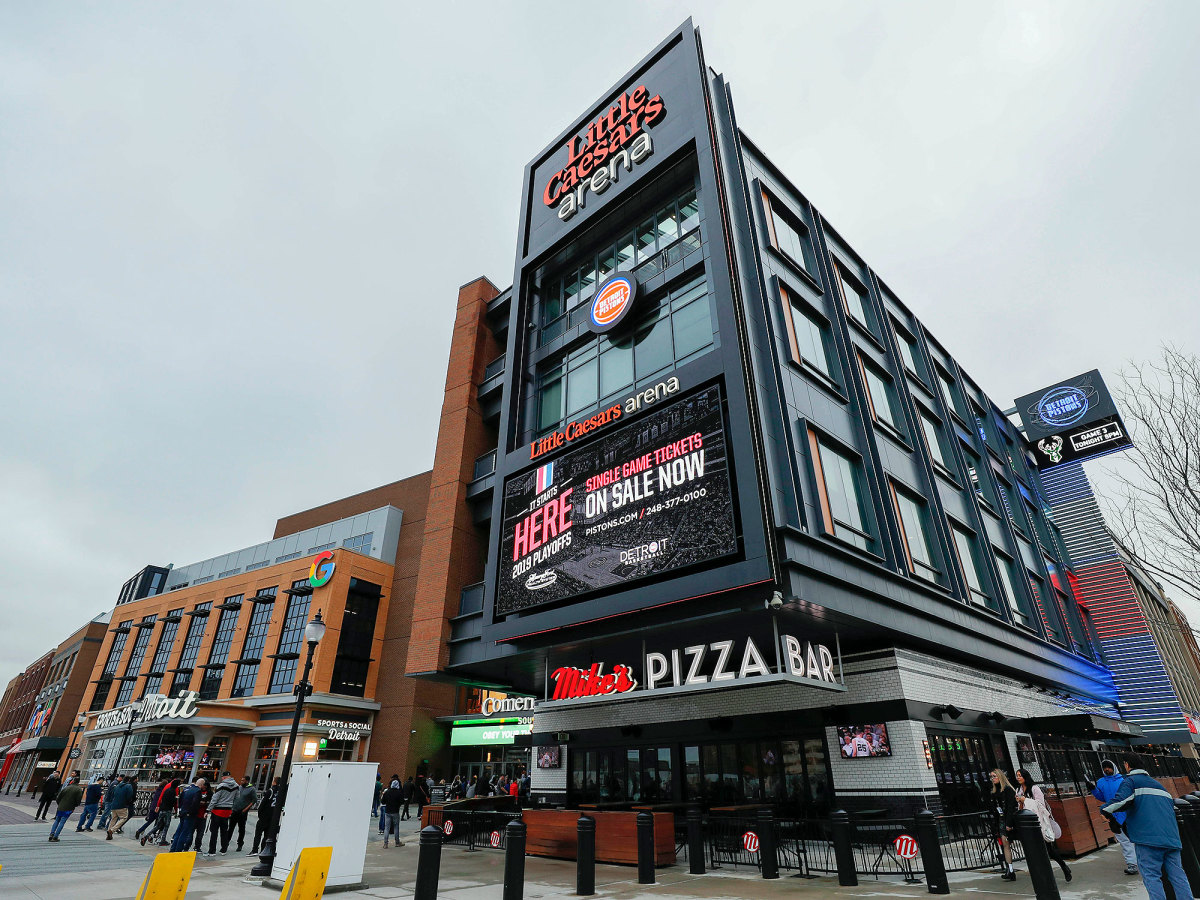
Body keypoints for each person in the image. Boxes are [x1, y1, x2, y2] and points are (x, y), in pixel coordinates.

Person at [1101, 753, 1192, 900]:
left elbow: (1119, 801)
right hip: (1172, 838)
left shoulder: (1131, 781)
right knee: (1178, 876)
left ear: (1127, 765)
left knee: (1151, 876)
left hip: (1148, 839)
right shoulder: (1160, 786)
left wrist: (1104, 810)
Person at [1015, 768, 1071, 882]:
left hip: (1040, 822)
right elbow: (1020, 809)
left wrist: (1025, 799)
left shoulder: (1035, 789)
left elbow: (1040, 805)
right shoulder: (1019, 790)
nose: (1018, 777)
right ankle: (1044, 875)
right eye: (1017, 775)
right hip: (1028, 825)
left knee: (1049, 849)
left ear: (1025, 776)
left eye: (1020, 775)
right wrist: (1020, 802)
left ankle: (1064, 867)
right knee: (1036, 850)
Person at [1089, 758, 1139, 875]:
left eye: (1109, 767)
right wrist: (1093, 789)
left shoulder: (1123, 780)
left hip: (1127, 813)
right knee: (1124, 841)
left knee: (1134, 839)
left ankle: (1140, 861)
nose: (1107, 769)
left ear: (1114, 767)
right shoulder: (1101, 782)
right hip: (1113, 815)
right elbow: (1101, 797)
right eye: (1105, 767)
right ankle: (1132, 864)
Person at [989, 769, 1019, 881]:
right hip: (1001, 820)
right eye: (991, 777)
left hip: (1009, 820)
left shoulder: (1008, 790)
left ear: (1000, 776)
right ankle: (1010, 869)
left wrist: (1009, 823)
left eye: (994, 776)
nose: (993, 779)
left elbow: (1011, 807)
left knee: (1016, 843)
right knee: (1005, 845)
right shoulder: (995, 791)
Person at [206, 771, 239, 857]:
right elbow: (237, 798)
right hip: (227, 811)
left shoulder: (221, 786)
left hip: (217, 810)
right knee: (224, 831)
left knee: (214, 832)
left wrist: (208, 809)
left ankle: (212, 851)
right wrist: (231, 807)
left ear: (224, 777)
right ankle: (224, 849)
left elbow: (215, 798)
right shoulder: (236, 786)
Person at [170, 777, 206, 853]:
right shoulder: (197, 791)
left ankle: (173, 848)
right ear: (202, 785)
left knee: (179, 831)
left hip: (183, 812)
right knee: (185, 832)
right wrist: (191, 812)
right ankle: (179, 849)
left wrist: (180, 810)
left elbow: (180, 800)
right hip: (190, 814)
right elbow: (195, 803)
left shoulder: (186, 789)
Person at [142, 778, 180, 846]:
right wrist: (176, 809)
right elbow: (174, 803)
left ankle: (147, 836)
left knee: (157, 825)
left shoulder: (166, 790)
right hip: (168, 810)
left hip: (162, 809)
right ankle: (163, 840)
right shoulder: (173, 791)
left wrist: (158, 805)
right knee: (166, 825)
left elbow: (161, 798)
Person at [48, 777, 83, 841]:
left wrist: (59, 803)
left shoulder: (66, 788)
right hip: (69, 807)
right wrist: (75, 805)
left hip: (61, 806)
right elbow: (78, 800)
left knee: (57, 820)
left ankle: (52, 833)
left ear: (72, 781)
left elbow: (58, 797)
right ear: (78, 782)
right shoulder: (78, 789)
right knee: (62, 822)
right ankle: (56, 836)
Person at [251, 777, 279, 855]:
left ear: (274, 782)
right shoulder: (280, 792)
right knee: (266, 835)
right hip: (272, 816)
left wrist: (260, 814)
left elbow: (262, 804)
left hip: (264, 816)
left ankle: (255, 850)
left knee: (258, 834)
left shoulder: (270, 791)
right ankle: (263, 850)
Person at [230, 776, 257, 852]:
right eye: (241, 780)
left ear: (247, 781)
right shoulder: (239, 787)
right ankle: (226, 842)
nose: (241, 782)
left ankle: (240, 844)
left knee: (241, 829)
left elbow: (254, 800)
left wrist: (246, 809)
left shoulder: (251, 789)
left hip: (242, 812)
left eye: (243, 780)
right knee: (230, 828)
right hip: (235, 810)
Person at [106, 773, 135, 840]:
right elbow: (129, 796)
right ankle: (112, 830)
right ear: (129, 780)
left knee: (113, 819)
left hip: (114, 804)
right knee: (124, 818)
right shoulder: (128, 786)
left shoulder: (117, 785)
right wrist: (128, 802)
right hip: (122, 805)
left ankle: (109, 832)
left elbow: (113, 793)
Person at [380, 778, 403, 848]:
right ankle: (397, 842)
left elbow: (383, 801)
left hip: (387, 811)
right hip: (395, 811)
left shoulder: (387, 792)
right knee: (396, 827)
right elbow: (402, 801)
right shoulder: (399, 792)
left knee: (387, 828)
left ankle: (385, 843)